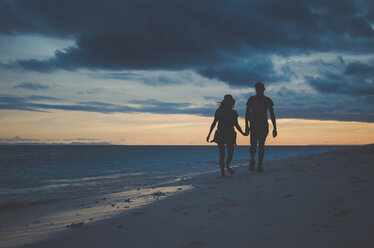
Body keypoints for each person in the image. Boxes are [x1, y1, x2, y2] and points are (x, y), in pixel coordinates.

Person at [206, 94, 245, 177]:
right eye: (227, 100)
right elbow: (214, 123)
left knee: (230, 153)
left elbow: (236, 124)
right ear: (224, 101)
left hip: (230, 134)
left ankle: (227, 165)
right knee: (222, 154)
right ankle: (222, 172)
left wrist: (243, 133)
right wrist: (209, 134)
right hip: (220, 134)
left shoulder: (234, 113)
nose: (229, 102)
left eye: (230, 100)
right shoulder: (218, 111)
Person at [245, 82, 277, 172]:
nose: (258, 91)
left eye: (259, 89)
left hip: (262, 125)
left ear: (263, 90)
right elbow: (247, 113)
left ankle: (258, 164)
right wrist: (247, 126)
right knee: (255, 145)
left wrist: (275, 128)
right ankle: (254, 161)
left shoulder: (267, 100)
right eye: (257, 89)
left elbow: (272, 114)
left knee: (259, 145)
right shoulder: (252, 99)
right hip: (255, 125)